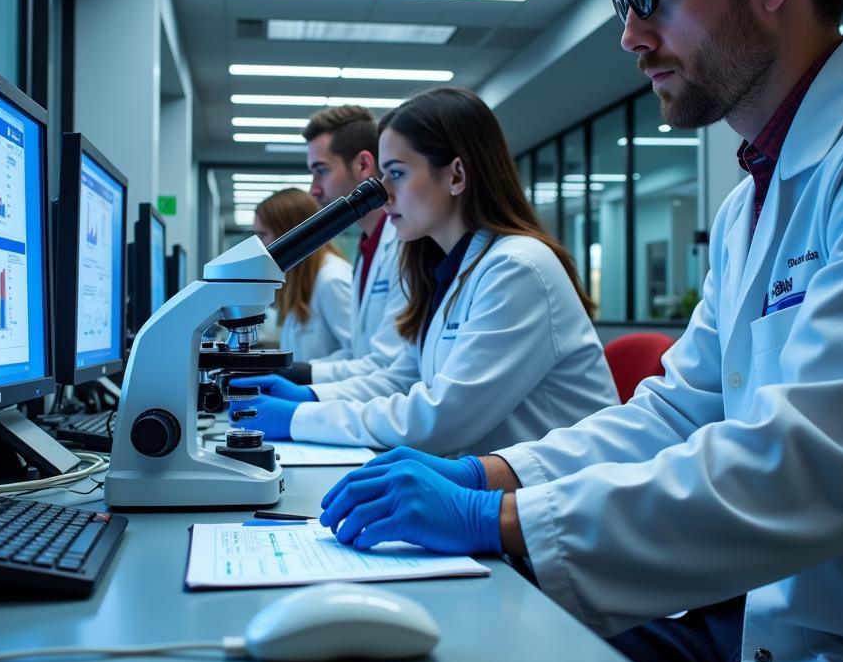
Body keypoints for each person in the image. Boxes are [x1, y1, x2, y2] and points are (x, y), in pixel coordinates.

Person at [317, 0, 843, 662]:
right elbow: (676, 410)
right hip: (750, 611)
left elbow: (818, 463)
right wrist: (495, 479)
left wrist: (503, 523)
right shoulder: (752, 199)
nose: (628, 33)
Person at [241, 87, 619, 456]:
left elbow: (445, 417)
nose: (383, 193)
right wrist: (310, 395)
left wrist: (301, 417)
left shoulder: (516, 268)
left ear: (456, 175)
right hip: (500, 491)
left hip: (563, 501)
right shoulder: (445, 269)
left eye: (397, 173)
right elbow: (402, 378)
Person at [277, 105, 409, 384]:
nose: (313, 189)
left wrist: (297, 375)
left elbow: (390, 364)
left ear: (362, 165)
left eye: (321, 171)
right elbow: (358, 353)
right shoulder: (366, 249)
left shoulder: (403, 246)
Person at [252, 188, 352, 361]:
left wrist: (301, 373)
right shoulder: (300, 280)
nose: (260, 246)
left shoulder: (332, 279)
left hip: (326, 387)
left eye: (263, 235)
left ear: (288, 232)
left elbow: (358, 355)